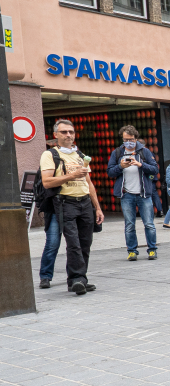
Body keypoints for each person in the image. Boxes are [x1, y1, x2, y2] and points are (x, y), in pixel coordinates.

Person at [39, 119, 104, 294]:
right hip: (65, 202)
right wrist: (72, 175)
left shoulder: (80, 155)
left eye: (71, 132)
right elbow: (46, 182)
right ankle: (76, 280)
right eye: (64, 132)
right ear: (55, 135)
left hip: (84, 202)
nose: (68, 135)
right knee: (73, 243)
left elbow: (89, 183)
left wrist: (97, 207)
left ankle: (80, 278)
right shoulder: (50, 155)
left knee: (85, 243)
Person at [107, 125, 159, 260]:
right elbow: (110, 172)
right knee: (129, 224)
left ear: (136, 139)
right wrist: (120, 166)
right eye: (125, 139)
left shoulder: (145, 152)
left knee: (149, 224)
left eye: (131, 139)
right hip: (126, 194)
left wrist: (140, 164)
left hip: (144, 194)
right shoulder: (117, 153)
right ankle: (132, 251)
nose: (128, 142)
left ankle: (152, 249)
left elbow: (155, 169)